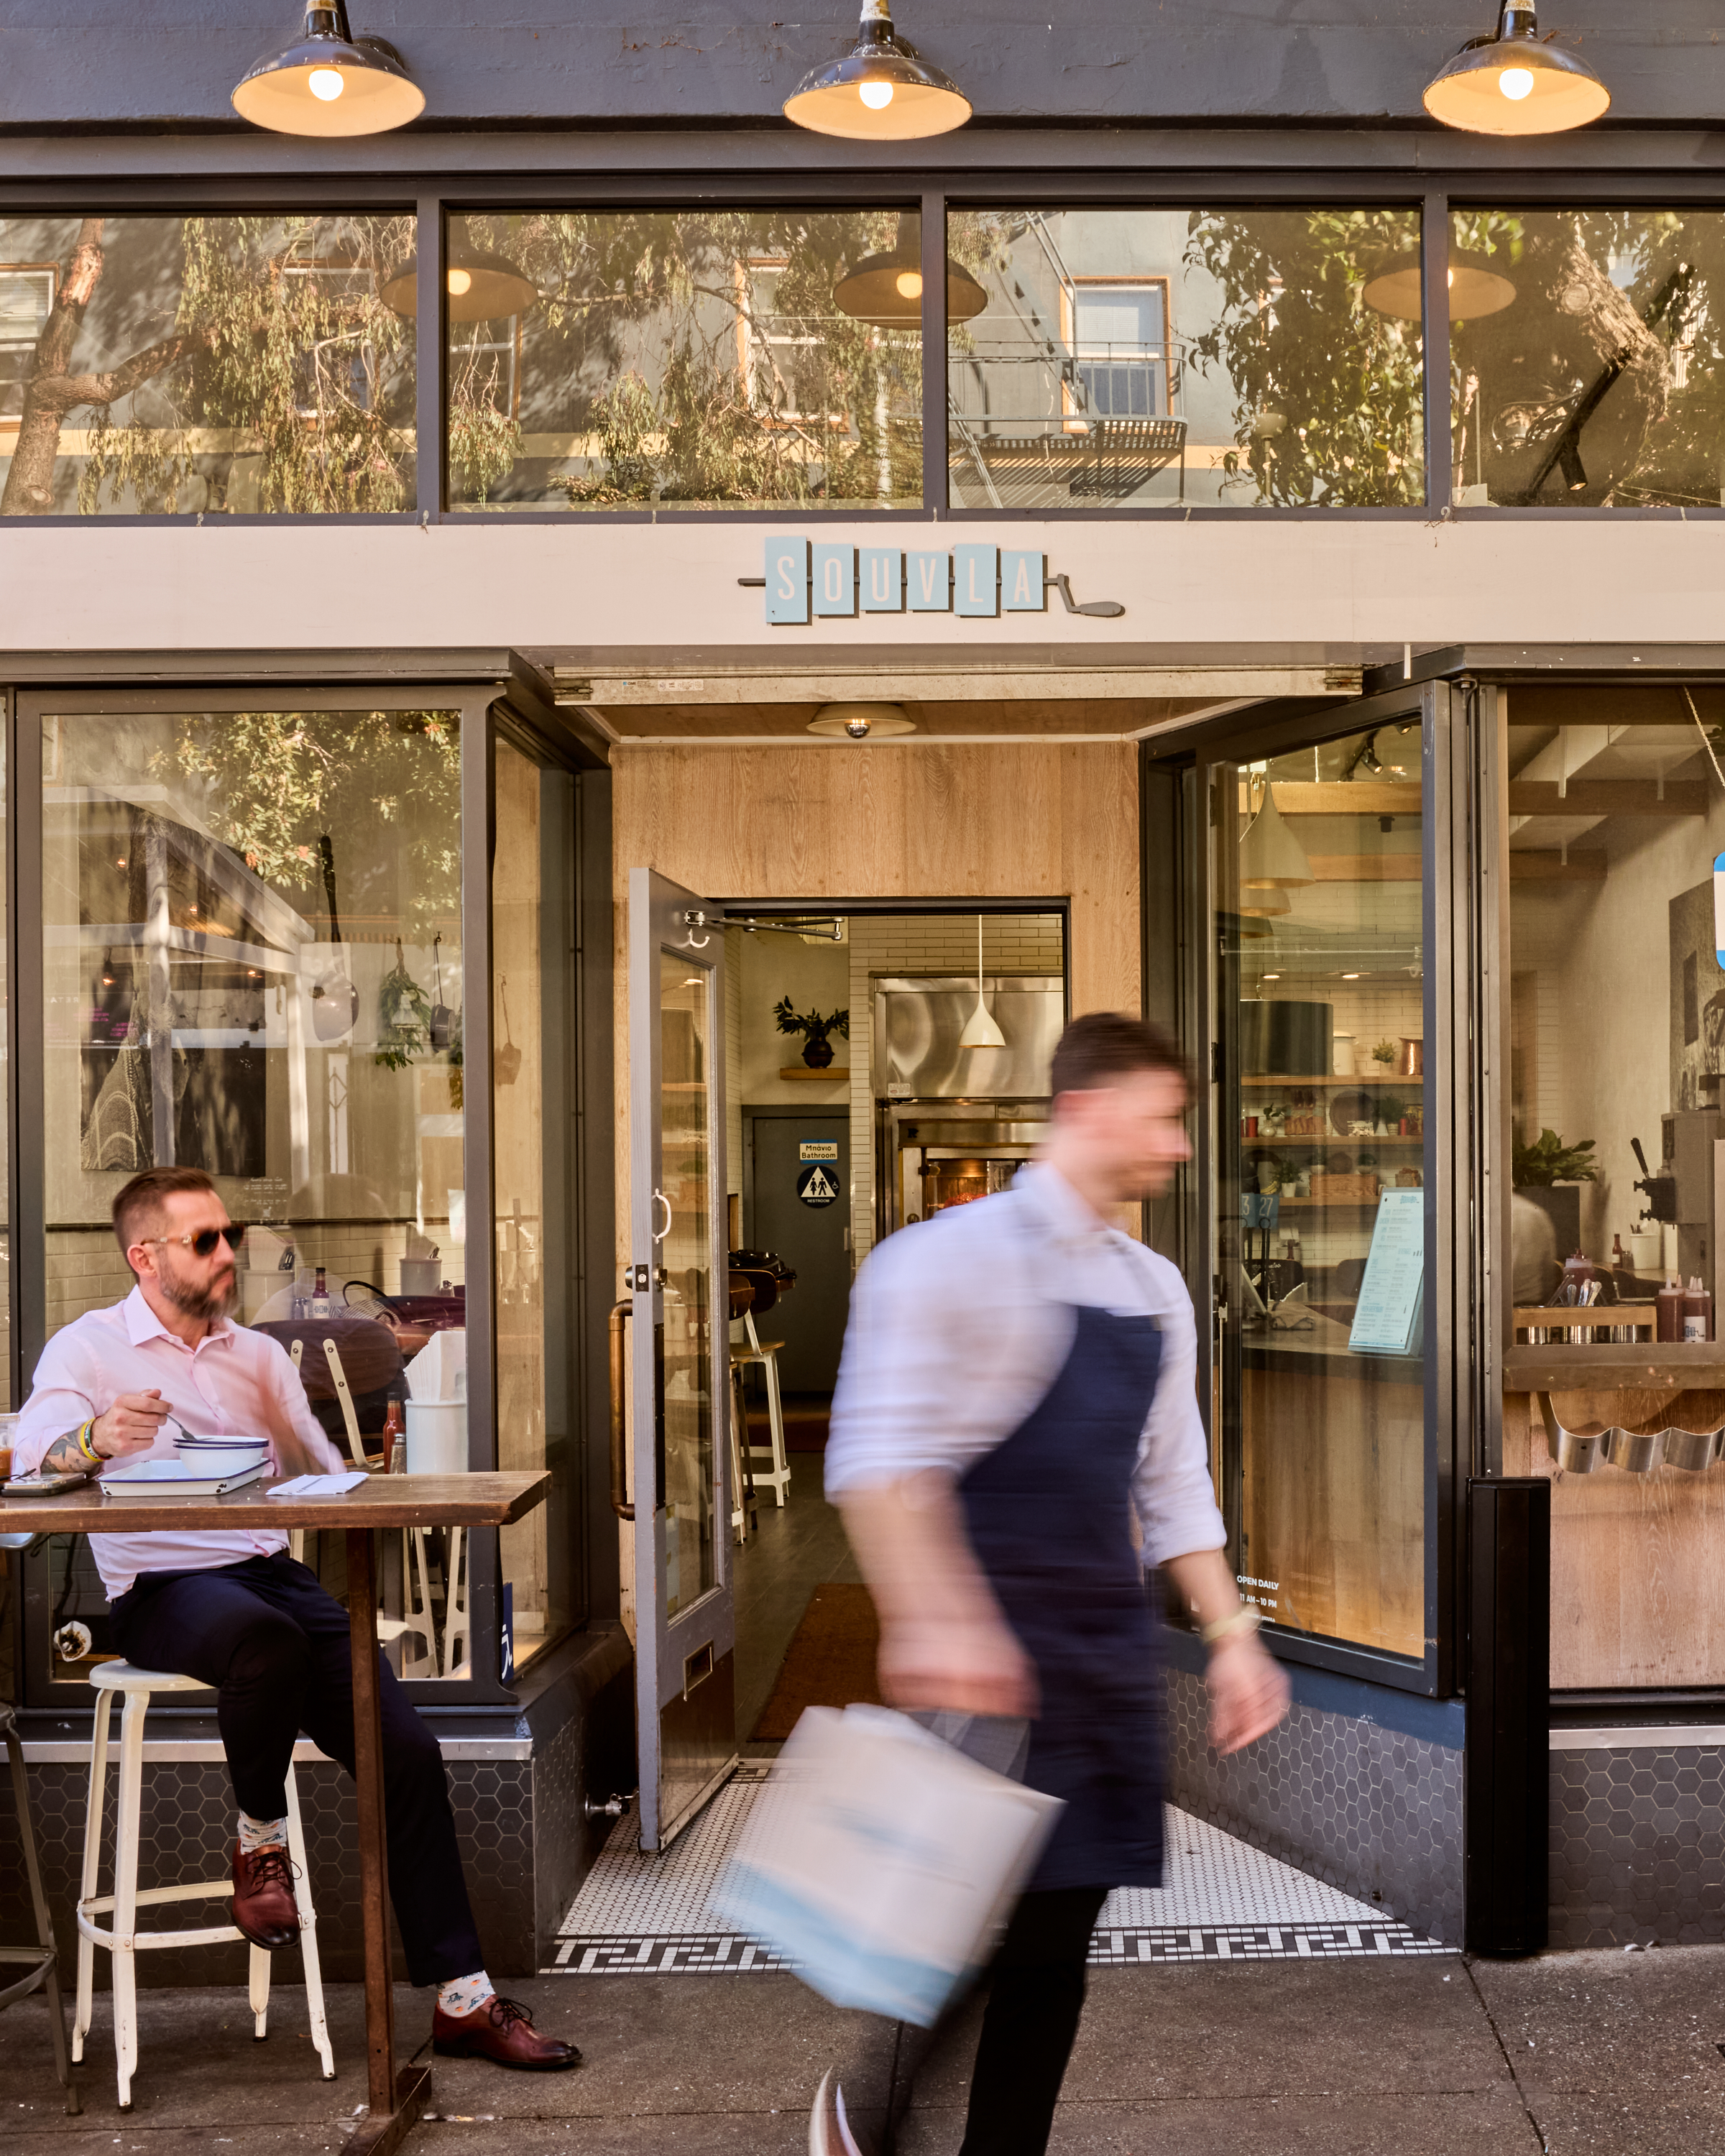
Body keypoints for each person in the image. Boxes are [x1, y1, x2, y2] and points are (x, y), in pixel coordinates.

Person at [824, 1013, 1290, 2156]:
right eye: (1165, 1116)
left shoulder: (1154, 1289)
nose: (1179, 1146)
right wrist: (933, 1621)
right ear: (1086, 1110)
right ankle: (865, 2111)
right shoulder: (941, 1259)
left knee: (1056, 1936)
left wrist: (1231, 1635)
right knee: (970, 1922)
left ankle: (913, 2129)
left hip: (1099, 1644)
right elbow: (876, 1465)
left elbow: (1175, 1483)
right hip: (987, 1647)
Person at [13, 1165, 579, 2073]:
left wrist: (353, 1468)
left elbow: (321, 1475)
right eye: (207, 1240)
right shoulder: (89, 1350)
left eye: (228, 1235)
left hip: (271, 1574)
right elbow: (26, 1452)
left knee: (408, 1754)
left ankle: (463, 2001)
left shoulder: (257, 1355)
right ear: (145, 1256)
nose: (229, 1253)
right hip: (162, 1590)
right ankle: (259, 1840)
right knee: (264, 1645)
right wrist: (95, 1439)